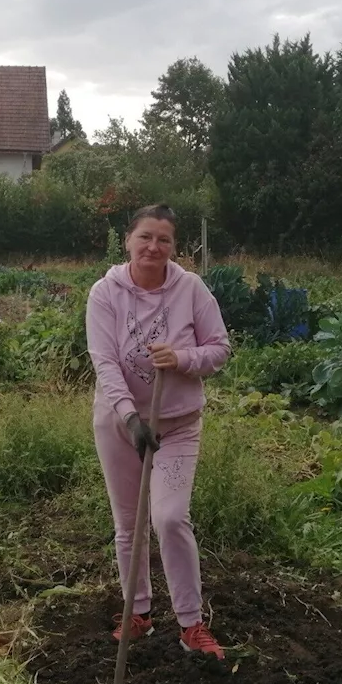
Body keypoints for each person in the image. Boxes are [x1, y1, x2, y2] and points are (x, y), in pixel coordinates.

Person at [84, 203, 231, 659]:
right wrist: (130, 417)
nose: (154, 247)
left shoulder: (191, 289)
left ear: (174, 247)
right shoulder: (104, 293)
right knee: (128, 526)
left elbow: (220, 349)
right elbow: (104, 361)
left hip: (177, 423)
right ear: (128, 240)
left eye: (163, 239)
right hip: (120, 423)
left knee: (168, 518)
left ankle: (190, 624)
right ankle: (140, 613)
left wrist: (183, 358)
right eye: (145, 237)